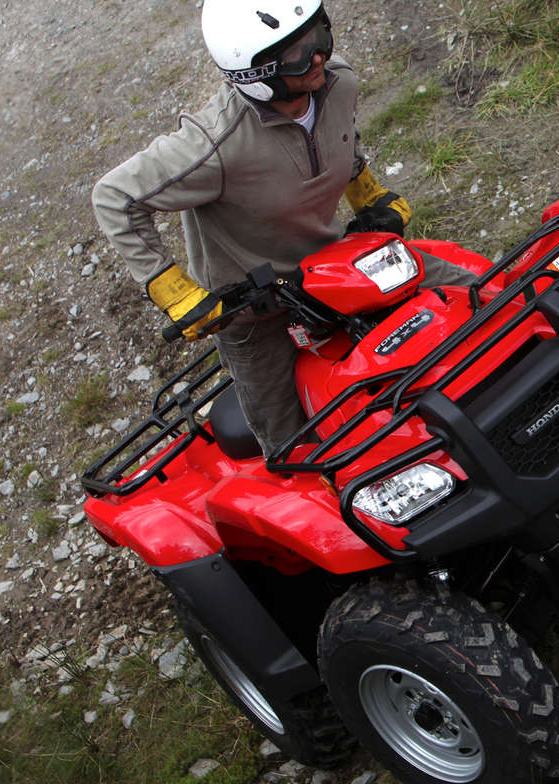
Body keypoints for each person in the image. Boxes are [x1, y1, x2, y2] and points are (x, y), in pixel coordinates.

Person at [92, 0, 473, 459]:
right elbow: (115, 197)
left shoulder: (338, 84)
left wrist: (368, 196)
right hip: (252, 307)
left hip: (339, 262)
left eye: (319, 35)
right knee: (294, 445)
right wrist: (178, 294)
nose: (317, 57)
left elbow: (342, 141)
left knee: (481, 297)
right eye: (296, 52)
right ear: (254, 73)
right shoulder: (215, 144)